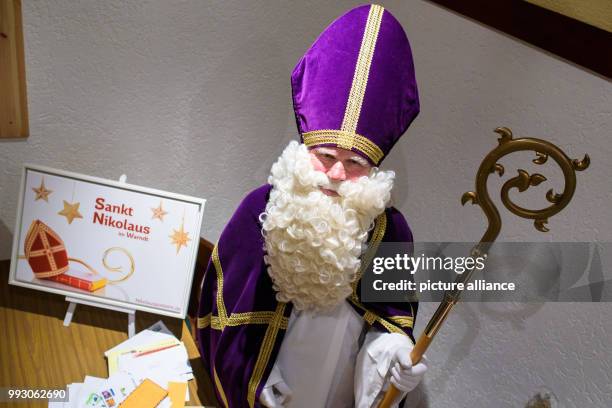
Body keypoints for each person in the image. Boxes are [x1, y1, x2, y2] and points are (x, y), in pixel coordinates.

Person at [197, 4, 427, 407]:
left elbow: (389, 323)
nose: (336, 173)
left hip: (338, 386)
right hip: (271, 384)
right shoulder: (261, 210)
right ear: (304, 152)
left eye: (355, 163)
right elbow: (229, 309)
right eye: (325, 156)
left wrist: (394, 356)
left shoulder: (391, 232)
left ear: (374, 169)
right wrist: (255, 378)